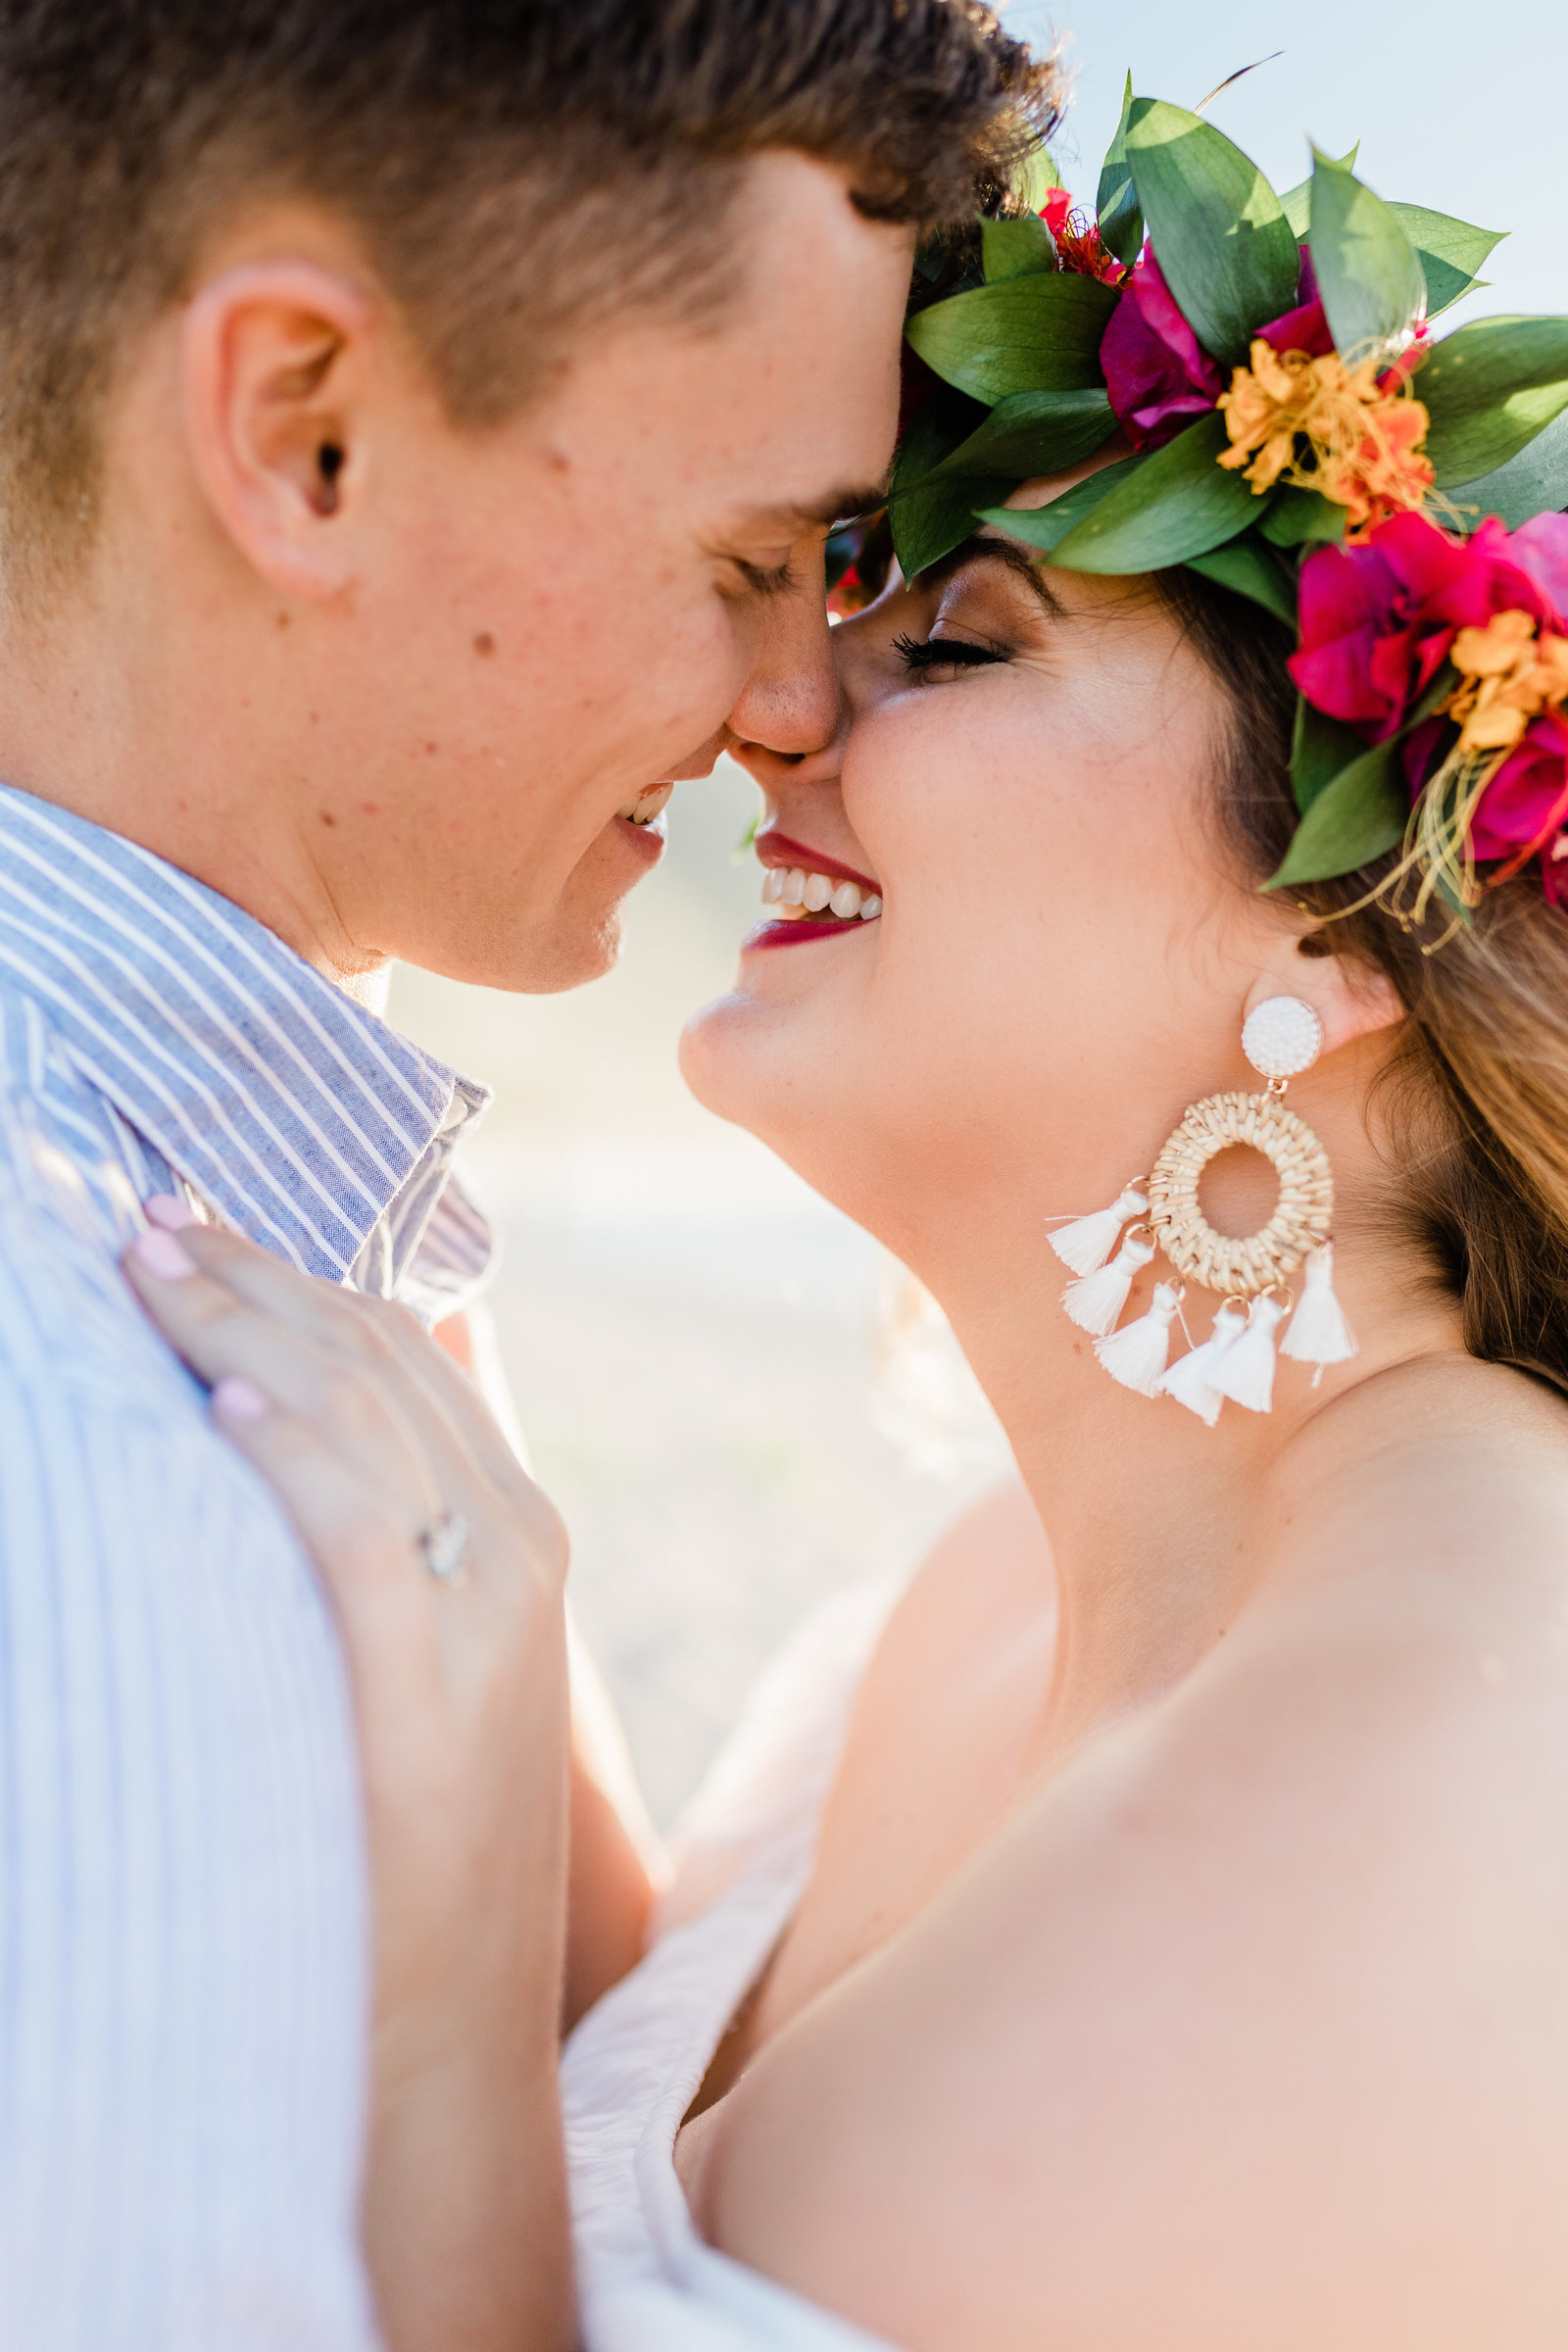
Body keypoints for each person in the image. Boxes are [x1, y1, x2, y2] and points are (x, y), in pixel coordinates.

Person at [126, 88, 1568, 2352]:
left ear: (1342, 940)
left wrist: (441, 1948)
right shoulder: (1013, 1581)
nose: (781, 724)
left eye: (960, 649)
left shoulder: (1433, 1760)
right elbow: (644, 2090)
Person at [0, 6, 1054, 2349]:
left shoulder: (293, 1267)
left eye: (859, 566)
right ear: (309, 433)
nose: (807, 699)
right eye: (755, 553)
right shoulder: (81, 1486)